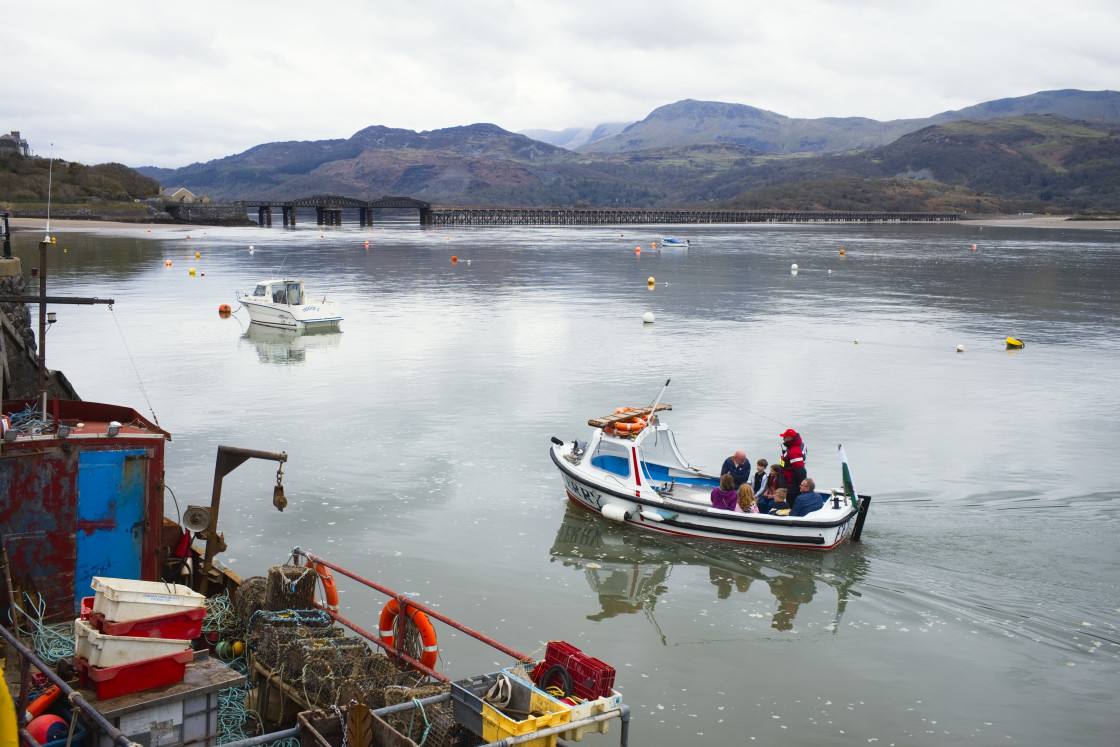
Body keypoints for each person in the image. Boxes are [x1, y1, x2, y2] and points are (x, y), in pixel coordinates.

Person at [777, 429, 807, 506]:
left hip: (791, 485)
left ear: (790, 438)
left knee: (791, 502)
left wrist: (802, 485)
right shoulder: (795, 445)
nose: (783, 439)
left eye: (785, 437)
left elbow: (800, 471)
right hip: (788, 481)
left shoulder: (794, 452)